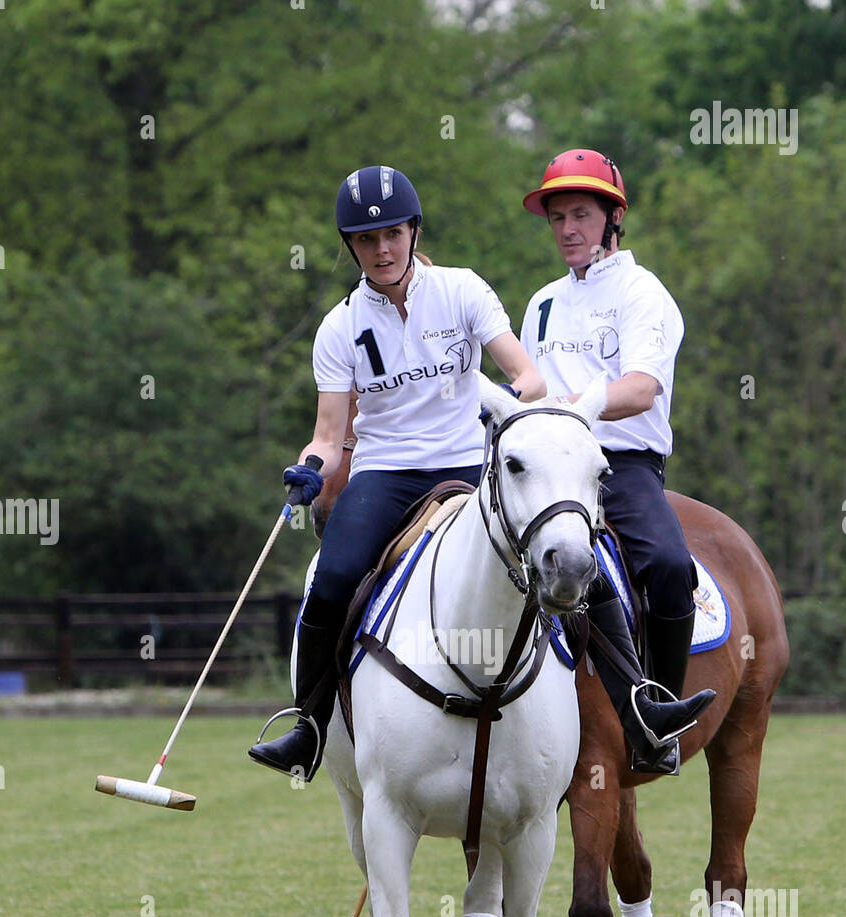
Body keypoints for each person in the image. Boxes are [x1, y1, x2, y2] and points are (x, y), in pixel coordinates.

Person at [248, 164, 545, 782]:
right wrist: (309, 467)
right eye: (365, 239)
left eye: (392, 234)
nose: (382, 250)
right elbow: (330, 436)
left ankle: (618, 706)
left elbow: (529, 376)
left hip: (470, 462)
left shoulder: (462, 290)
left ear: (413, 231)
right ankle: (308, 726)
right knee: (329, 582)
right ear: (350, 245)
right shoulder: (339, 327)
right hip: (386, 473)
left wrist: (512, 405)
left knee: (561, 554)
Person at [521, 148, 715, 774]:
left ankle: (657, 713)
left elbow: (640, 388)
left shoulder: (641, 291)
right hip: (548, 465)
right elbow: (527, 390)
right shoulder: (541, 302)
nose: (568, 229)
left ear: (612, 219)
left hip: (620, 466)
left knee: (665, 564)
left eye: (581, 214)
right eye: (558, 219)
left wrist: (576, 407)